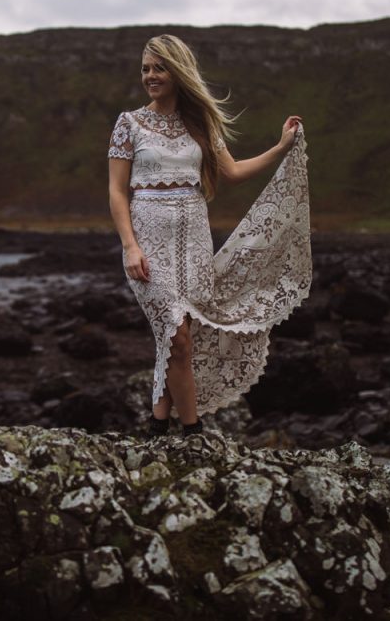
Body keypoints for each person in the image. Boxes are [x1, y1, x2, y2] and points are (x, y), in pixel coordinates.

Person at [107, 33, 312, 439]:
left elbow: (233, 172)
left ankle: (157, 426)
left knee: (180, 339)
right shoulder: (129, 123)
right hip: (148, 244)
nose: (150, 76)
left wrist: (281, 147)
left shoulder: (199, 123)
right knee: (177, 336)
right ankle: (194, 432)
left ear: (178, 71)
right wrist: (129, 246)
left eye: (159, 68)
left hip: (196, 245)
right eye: (146, 69)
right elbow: (116, 190)